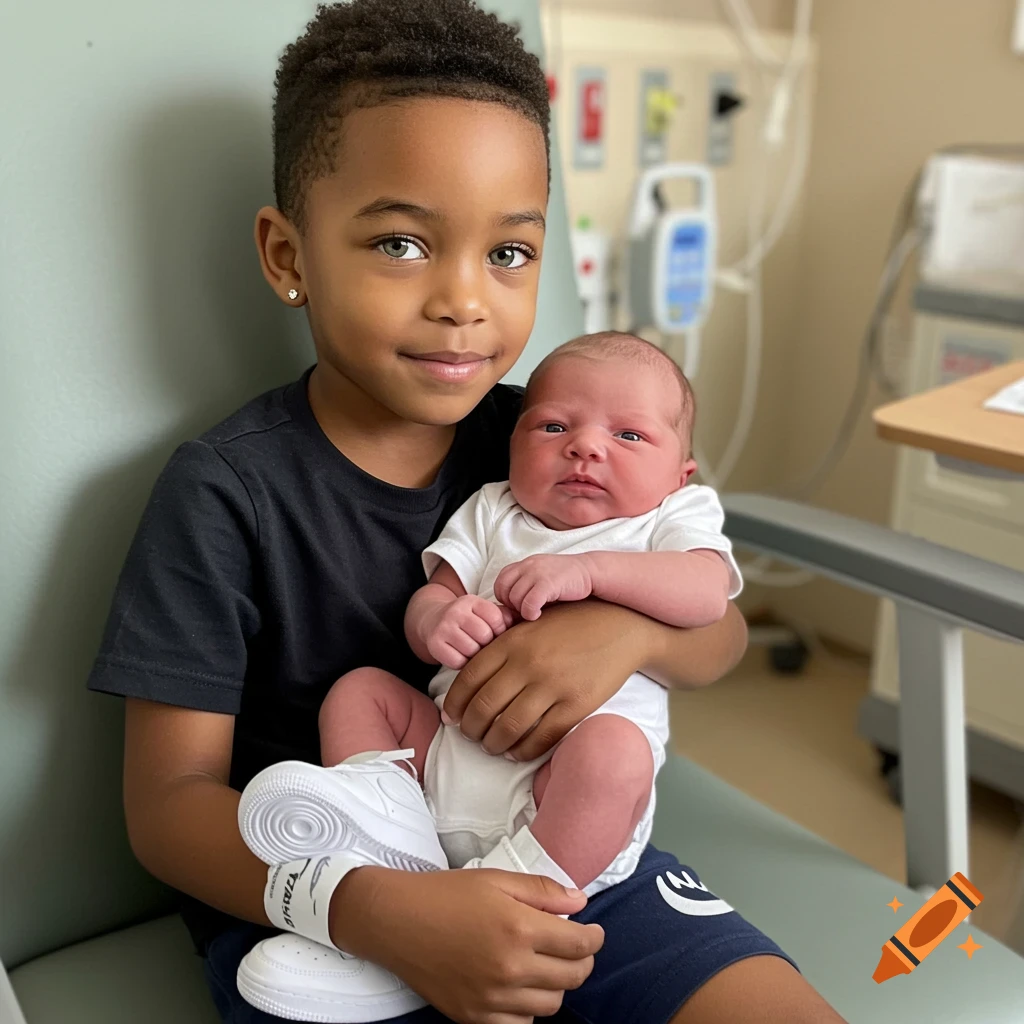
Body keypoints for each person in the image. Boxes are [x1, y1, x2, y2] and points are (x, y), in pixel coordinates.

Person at [86, 1, 846, 1022]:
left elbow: (719, 635)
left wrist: (614, 634)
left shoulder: (543, 441)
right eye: (401, 244)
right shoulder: (224, 492)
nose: (464, 300)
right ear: (287, 257)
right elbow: (167, 810)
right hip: (326, 904)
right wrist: (377, 915)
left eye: (509, 253)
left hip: (568, 854)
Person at [233, 331, 744, 1021]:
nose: (586, 447)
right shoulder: (493, 507)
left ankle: (511, 901)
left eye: (629, 436)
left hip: (562, 805)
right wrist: (437, 621)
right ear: (513, 444)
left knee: (615, 752)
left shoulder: (669, 521)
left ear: (680, 473)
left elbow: (708, 595)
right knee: (361, 693)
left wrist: (591, 573)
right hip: (442, 760)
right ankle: (389, 844)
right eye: (554, 426)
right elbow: (433, 594)